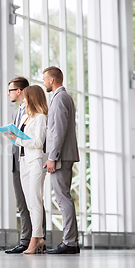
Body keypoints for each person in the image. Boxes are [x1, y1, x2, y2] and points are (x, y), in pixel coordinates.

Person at [4, 85, 48, 254]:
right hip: (23, 162)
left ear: (33, 98)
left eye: (27, 97)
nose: (24, 100)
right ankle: (38, 237)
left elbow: (38, 143)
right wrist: (12, 137)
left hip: (35, 162)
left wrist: (18, 140)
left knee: (35, 201)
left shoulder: (40, 118)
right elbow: (21, 139)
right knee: (29, 203)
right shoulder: (25, 118)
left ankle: (35, 239)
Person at [42, 66, 80, 254]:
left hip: (61, 156)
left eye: (44, 80)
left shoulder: (60, 98)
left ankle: (70, 242)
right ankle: (71, 241)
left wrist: (52, 157)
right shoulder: (62, 98)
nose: (43, 83)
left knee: (63, 198)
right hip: (64, 155)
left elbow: (58, 131)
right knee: (64, 197)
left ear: (52, 80)